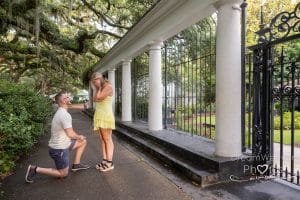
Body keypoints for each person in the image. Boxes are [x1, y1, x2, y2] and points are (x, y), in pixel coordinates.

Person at [25, 91, 90, 183]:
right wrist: (79, 136)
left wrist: (79, 138)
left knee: (83, 142)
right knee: (63, 174)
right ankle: (34, 169)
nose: (69, 97)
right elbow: (71, 134)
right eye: (67, 97)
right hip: (59, 149)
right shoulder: (64, 115)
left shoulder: (61, 111)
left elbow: (70, 130)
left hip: (64, 143)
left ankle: (76, 165)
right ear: (63, 101)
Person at [91, 72, 115, 172]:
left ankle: (110, 162)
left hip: (106, 116)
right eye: (93, 82)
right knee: (102, 139)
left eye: (95, 81)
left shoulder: (108, 87)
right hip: (99, 116)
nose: (94, 84)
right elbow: (94, 99)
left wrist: (99, 88)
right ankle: (105, 160)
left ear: (100, 79)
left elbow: (99, 98)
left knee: (107, 139)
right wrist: (97, 88)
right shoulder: (98, 88)